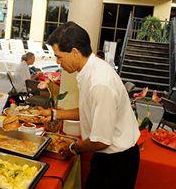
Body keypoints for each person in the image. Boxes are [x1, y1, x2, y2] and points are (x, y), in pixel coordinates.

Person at [38, 21, 140, 188]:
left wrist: (72, 147)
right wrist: (55, 114)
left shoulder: (100, 82)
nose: (57, 62)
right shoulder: (88, 71)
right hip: (107, 156)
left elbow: (101, 141)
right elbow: (88, 110)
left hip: (117, 161)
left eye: (59, 56)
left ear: (75, 52)